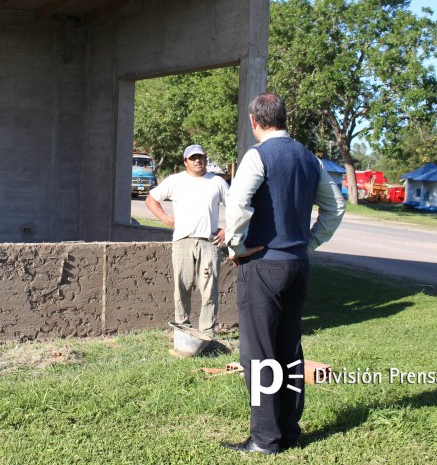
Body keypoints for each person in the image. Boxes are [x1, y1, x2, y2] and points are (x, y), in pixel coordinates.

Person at [222, 93, 345, 455]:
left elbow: (238, 202)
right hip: (297, 265)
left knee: (258, 354)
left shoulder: (257, 155)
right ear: (284, 118)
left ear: (254, 121)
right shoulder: (310, 158)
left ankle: (264, 439)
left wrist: (237, 248)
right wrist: (308, 243)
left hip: (263, 266)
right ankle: (289, 431)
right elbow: (335, 207)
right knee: (289, 349)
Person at [145, 144, 230, 338]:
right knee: (181, 288)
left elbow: (236, 207)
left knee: (209, 289)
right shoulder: (175, 181)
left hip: (209, 243)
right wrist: (167, 220)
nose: (198, 160)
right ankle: (182, 328)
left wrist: (228, 230)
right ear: (186, 162)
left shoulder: (217, 182)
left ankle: (207, 331)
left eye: (201, 157)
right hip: (182, 242)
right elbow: (151, 199)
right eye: (193, 158)